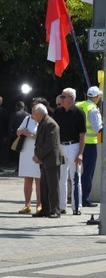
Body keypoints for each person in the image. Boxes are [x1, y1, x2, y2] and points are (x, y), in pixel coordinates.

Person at [52, 87, 86, 215]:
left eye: (63, 96)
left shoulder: (79, 113)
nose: (61, 98)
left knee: (75, 177)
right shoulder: (58, 112)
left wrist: (80, 153)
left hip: (74, 146)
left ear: (71, 99)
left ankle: (77, 207)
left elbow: (82, 134)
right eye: (61, 96)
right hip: (61, 146)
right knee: (61, 178)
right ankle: (61, 206)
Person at [32, 104, 63, 218]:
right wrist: (37, 155)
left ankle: (55, 210)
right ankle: (45, 209)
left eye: (33, 113)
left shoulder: (50, 124)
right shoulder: (42, 123)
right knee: (44, 186)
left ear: (39, 114)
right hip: (44, 159)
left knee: (53, 186)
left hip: (51, 160)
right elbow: (39, 141)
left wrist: (38, 156)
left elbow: (50, 144)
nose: (32, 116)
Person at [75, 86, 102, 207]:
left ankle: (75, 197)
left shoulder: (78, 105)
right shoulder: (93, 109)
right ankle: (84, 199)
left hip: (75, 142)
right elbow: (97, 128)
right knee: (88, 173)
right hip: (90, 144)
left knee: (75, 172)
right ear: (96, 97)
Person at [16, 100, 42, 214]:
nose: (33, 112)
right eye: (32, 109)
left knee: (38, 180)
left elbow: (43, 136)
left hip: (37, 152)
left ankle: (39, 205)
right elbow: (17, 132)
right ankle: (27, 204)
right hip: (26, 151)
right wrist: (22, 131)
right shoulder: (27, 119)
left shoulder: (43, 121)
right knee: (27, 179)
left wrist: (30, 135)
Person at [8, 100, 29, 169]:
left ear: (17, 106)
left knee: (17, 151)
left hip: (16, 134)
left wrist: (9, 135)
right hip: (26, 135)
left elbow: (11, 125)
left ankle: (18, 167)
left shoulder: (14, 114)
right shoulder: (28, 115)